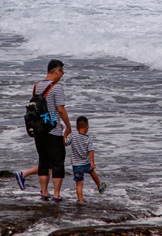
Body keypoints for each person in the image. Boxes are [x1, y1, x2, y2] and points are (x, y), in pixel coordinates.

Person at [14, 60, 71, 201]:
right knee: (58, 163)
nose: (62, 75)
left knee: (43, 162)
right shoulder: (57, 88)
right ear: (57, 70)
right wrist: (68, 126)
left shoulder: (37, 86)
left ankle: (44, 193)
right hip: (53, 131)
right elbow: (60, 109)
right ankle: (57, 195)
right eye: (62, 72)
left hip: (39, 130)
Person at [64, 116, 107, 203]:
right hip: (86, 163)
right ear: (88, 127)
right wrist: (92, 162)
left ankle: (81, 201)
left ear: (76, 128)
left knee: (79, 184)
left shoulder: (73, 136)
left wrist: (65, 134)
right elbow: (91, 150)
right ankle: (99, 186)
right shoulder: (88, 138)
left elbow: (65, 143)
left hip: (76, 165)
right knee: (92, 172)